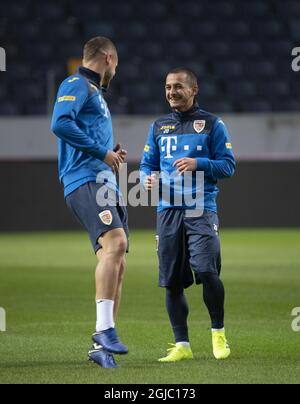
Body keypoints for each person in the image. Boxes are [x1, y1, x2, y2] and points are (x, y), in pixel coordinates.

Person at [140, 67, 236, 362]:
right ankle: (182, 344)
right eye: (168, 87)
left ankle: (218, 334)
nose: (171, 92)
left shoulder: (212, 124)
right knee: (171, 281)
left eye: (178, 86)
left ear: (194, 90)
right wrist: (148, 178)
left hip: (201, 208)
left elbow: (228, 166)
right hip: (167, 210)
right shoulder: (158, 126)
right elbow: (147, 164)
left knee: (207, 272)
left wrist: (199, 163)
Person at [51, 37, 129, 369]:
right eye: (116, 63)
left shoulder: (96, 93)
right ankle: (106, 330)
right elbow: (59, 123)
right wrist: (102, 152)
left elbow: (91, 136)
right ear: (108, 57)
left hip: (103, 182)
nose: (116, 69)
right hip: (85, 180)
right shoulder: (77, 83)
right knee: (116, 243)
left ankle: (102, 345)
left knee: (118, 260)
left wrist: (111, 153)